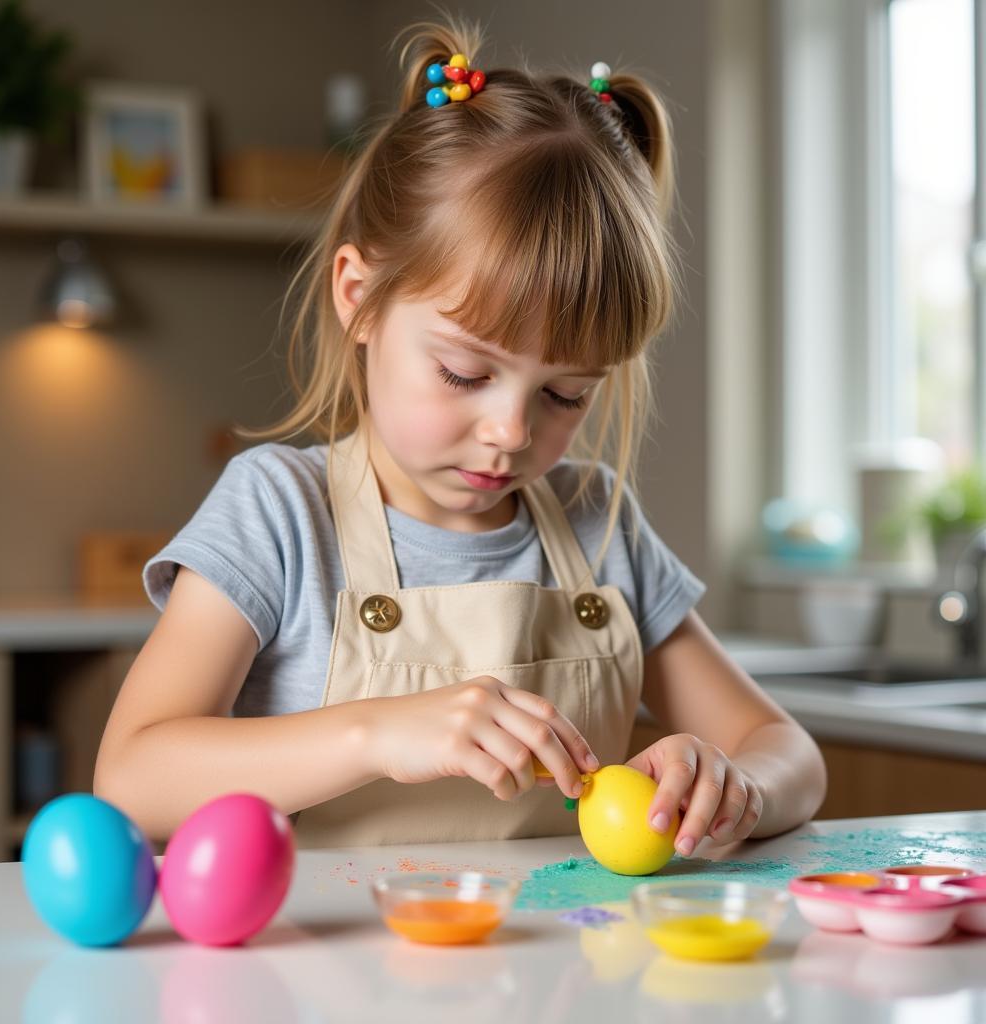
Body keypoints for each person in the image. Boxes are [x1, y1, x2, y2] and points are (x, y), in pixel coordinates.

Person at [94, 16, 826, 853]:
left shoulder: (595, 521)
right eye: (464, 375)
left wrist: (736, 786)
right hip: (321, 976)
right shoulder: (279, 512)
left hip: (569, 971)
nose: (511, 431)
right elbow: (131, 776)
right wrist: (377, 733)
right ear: (359, 298)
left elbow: (790, 755)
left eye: (566, 393)